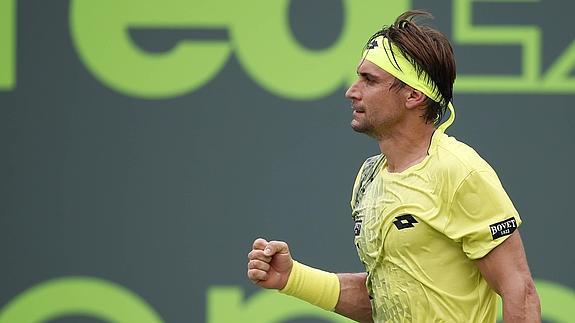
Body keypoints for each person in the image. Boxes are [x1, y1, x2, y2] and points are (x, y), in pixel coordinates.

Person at [247, 10, 540, 323]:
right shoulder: (369, 177)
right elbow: (387, 300)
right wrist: (293, 278)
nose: (352, 91)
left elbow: (519, 293)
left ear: (413, 95)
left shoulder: (460, 171)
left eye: (369, 80)